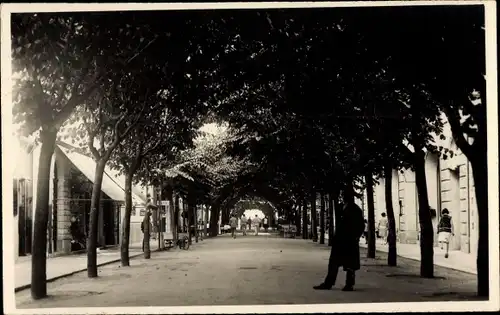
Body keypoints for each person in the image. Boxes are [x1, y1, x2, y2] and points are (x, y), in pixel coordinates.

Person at [314, 190, 365, 292]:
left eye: (344, 196)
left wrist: (355, 237)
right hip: (340, 240)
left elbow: (360, 226)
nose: (342, 197)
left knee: (349, 264)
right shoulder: (342, 207)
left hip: (349, 240)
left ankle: (348, 285)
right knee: (334, 262)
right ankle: (329, 283)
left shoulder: (355, 209)